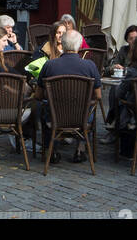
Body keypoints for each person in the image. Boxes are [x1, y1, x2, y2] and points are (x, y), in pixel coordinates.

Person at [38, 29, 101, 162]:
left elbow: (39, 94)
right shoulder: (90, 66)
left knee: (44, 106)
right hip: (81, 118)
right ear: (79, 46)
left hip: (55, 117)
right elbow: (98, 96)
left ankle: (52, 149)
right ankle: (81, 148)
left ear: (63, 44)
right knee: (89, 108)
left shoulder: (49, 65)